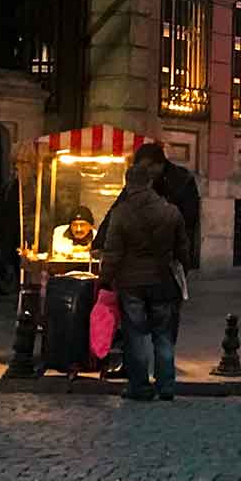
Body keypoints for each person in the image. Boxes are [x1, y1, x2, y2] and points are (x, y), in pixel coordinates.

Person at [99, 152, 193, 402]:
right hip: (163, 281)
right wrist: (184, 271)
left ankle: (139, 386)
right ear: (150, 182)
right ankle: (166, 386)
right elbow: (184, 249)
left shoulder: (121, 213)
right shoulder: (170, 211)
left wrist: (104, 280)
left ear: (128, 184)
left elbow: (112, 252)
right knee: (163, 334)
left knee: (136, 333)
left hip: (131, 284)